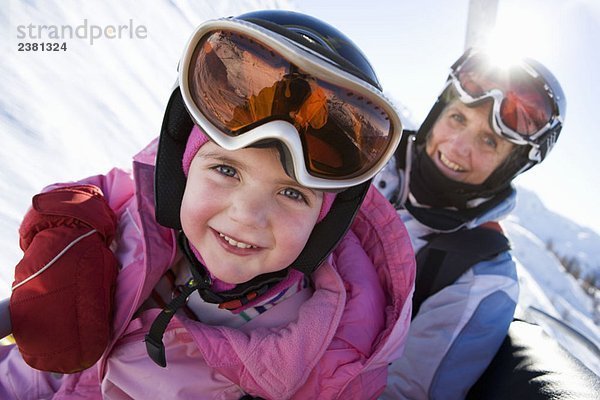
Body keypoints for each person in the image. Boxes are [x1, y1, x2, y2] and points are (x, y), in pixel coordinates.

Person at [0, 10, 415, 399]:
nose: (245, 216)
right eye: (227, 171)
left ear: (325, 225)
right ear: (180, 172)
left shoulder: (320, 356)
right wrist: (66, 228)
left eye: (291, 194)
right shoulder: (131, 216)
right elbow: (90, 197)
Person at [378, 48, 566, 399]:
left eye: (489, 141)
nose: (458, 147)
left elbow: (406, 393)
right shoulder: (364, 159)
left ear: (511, 167)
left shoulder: (482, 276)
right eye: (458, 118)